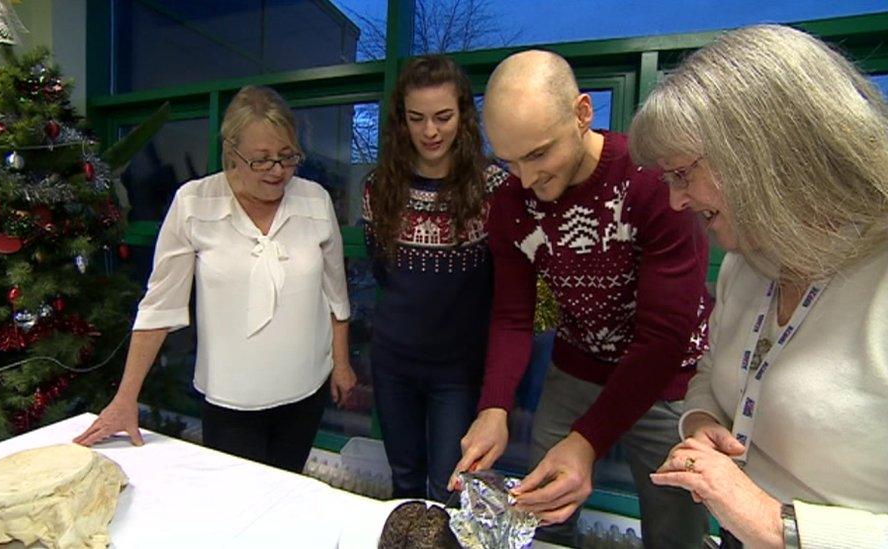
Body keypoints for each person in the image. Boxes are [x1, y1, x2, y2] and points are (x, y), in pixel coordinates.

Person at [629, 24, 888, 548]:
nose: (677, 201)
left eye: (682, 174)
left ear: (765, 154)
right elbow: (713, 370)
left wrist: (777, 526)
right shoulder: (746, 262)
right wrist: (700, 421)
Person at [448, 50, 711, 547]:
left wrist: (587, 440)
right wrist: (495, 406)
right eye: (509, 160)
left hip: (669, 380)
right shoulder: (511, 204)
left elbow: (663, 337)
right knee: (543, 509)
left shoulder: (655, 183)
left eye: (540, 154)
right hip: (578, 367)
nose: (526, 179)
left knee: (675, 526)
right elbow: (511, 315)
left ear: (582, 114)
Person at [74, 85, 356, 474]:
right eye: (261, 160)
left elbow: (335, 295)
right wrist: (126, 398)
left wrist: (341, 364)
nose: (278, 171)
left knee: (286, 497)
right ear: (232, 154)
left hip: (306, 390)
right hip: (231, 400)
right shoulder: (195, 202)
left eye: (288, 157)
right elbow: (159, 305)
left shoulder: (314, 200)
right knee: (237, 509)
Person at [362, 55, 509, 502]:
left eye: (443, 117)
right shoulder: (378, 187)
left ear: (464, 116)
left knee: (451, 487)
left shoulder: (495, 188)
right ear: (400, 122)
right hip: (393, 364)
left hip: (459, 371)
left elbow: (509, 291)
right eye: (417, 119)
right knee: (404, 481)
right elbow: (382, 271)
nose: (430, 132)